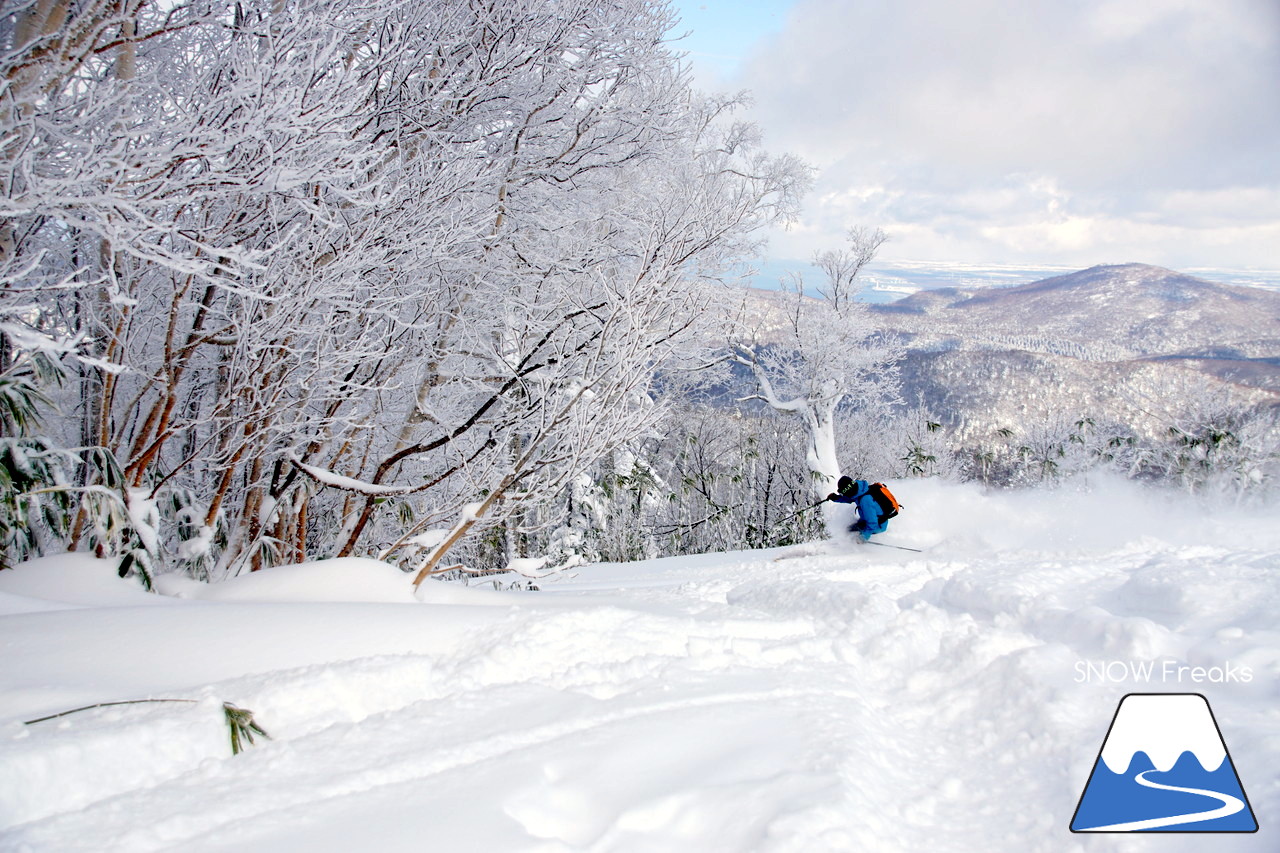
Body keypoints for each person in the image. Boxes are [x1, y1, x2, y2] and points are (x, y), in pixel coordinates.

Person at [827, 476, 889, 542]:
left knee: (851, 533)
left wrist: (863, 538)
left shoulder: (865, 500)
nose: (844, 494)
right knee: (849, 529)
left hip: (878, 525)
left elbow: (872, 522)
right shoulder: (858, 489)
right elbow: (850, 498)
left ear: (848, 490)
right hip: (866, 520)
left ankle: (860, 550)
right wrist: (836, 498)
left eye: (843, 493)